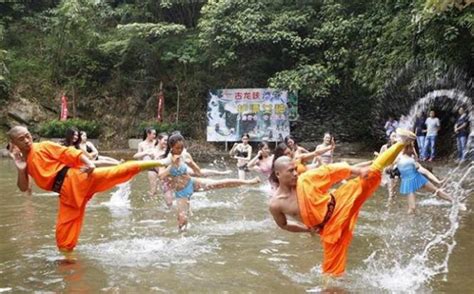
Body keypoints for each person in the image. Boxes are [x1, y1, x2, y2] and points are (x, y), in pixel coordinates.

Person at [268, 128, 416, 279]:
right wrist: (307, 230)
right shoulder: (275, 204)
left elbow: (331, 170)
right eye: (290, 171)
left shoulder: (305, 179)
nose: (295, 173)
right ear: (278, 174)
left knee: (371, 173)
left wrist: (357, 171)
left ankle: (402, 142)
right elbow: (284, 225)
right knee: (331, 274)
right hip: (328, 230)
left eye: (295, 169)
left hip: (339, 203)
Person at [7, 126, 166, 254]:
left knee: (117, 172)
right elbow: (24, 188)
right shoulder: (23, 160)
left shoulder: (43, 147)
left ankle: (159, 163)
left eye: (28, 136)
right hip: (66, 194)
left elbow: (69, 152)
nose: (27, 140)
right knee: (63, 238)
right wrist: (21, 169)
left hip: (77, 178)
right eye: (22, 139)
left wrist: (89, 163)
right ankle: (70, 265)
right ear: (14, 143)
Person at [158, 133, 260, 231]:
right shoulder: (164, 159)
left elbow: (198, 172)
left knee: (220, 183)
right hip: (181, 192)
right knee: (182, 220)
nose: (180, 150)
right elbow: (161, 176)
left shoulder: (185, 155)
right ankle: (182, 237)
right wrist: (172, 165)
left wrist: (192, 164)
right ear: (171, 147)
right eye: (177, 148)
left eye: (182, 147)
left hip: (192, 182)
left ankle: (247, 182)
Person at [395, 143, 461, 214]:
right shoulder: (398, 156)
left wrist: (438, 181)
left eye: (413, 147)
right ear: (407, 148)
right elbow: (388, 163)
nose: (413, 149)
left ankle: (456, 203)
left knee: (437, 191)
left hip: (417, 177)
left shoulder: (412, 158)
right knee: (412, 207)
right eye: (411, 147)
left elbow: (425, 171)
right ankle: (412, 220)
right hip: (407, 181)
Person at [133, 128, 158, 196]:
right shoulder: (141, 144)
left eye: (155, 134)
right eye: (153, 134)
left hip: (157, 165)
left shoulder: (156, 142)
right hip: (147, 166)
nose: (155, 136)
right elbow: (138, 157)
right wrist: (146, 153)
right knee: (153, 190)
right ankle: (151, 202)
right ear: (148, 134)